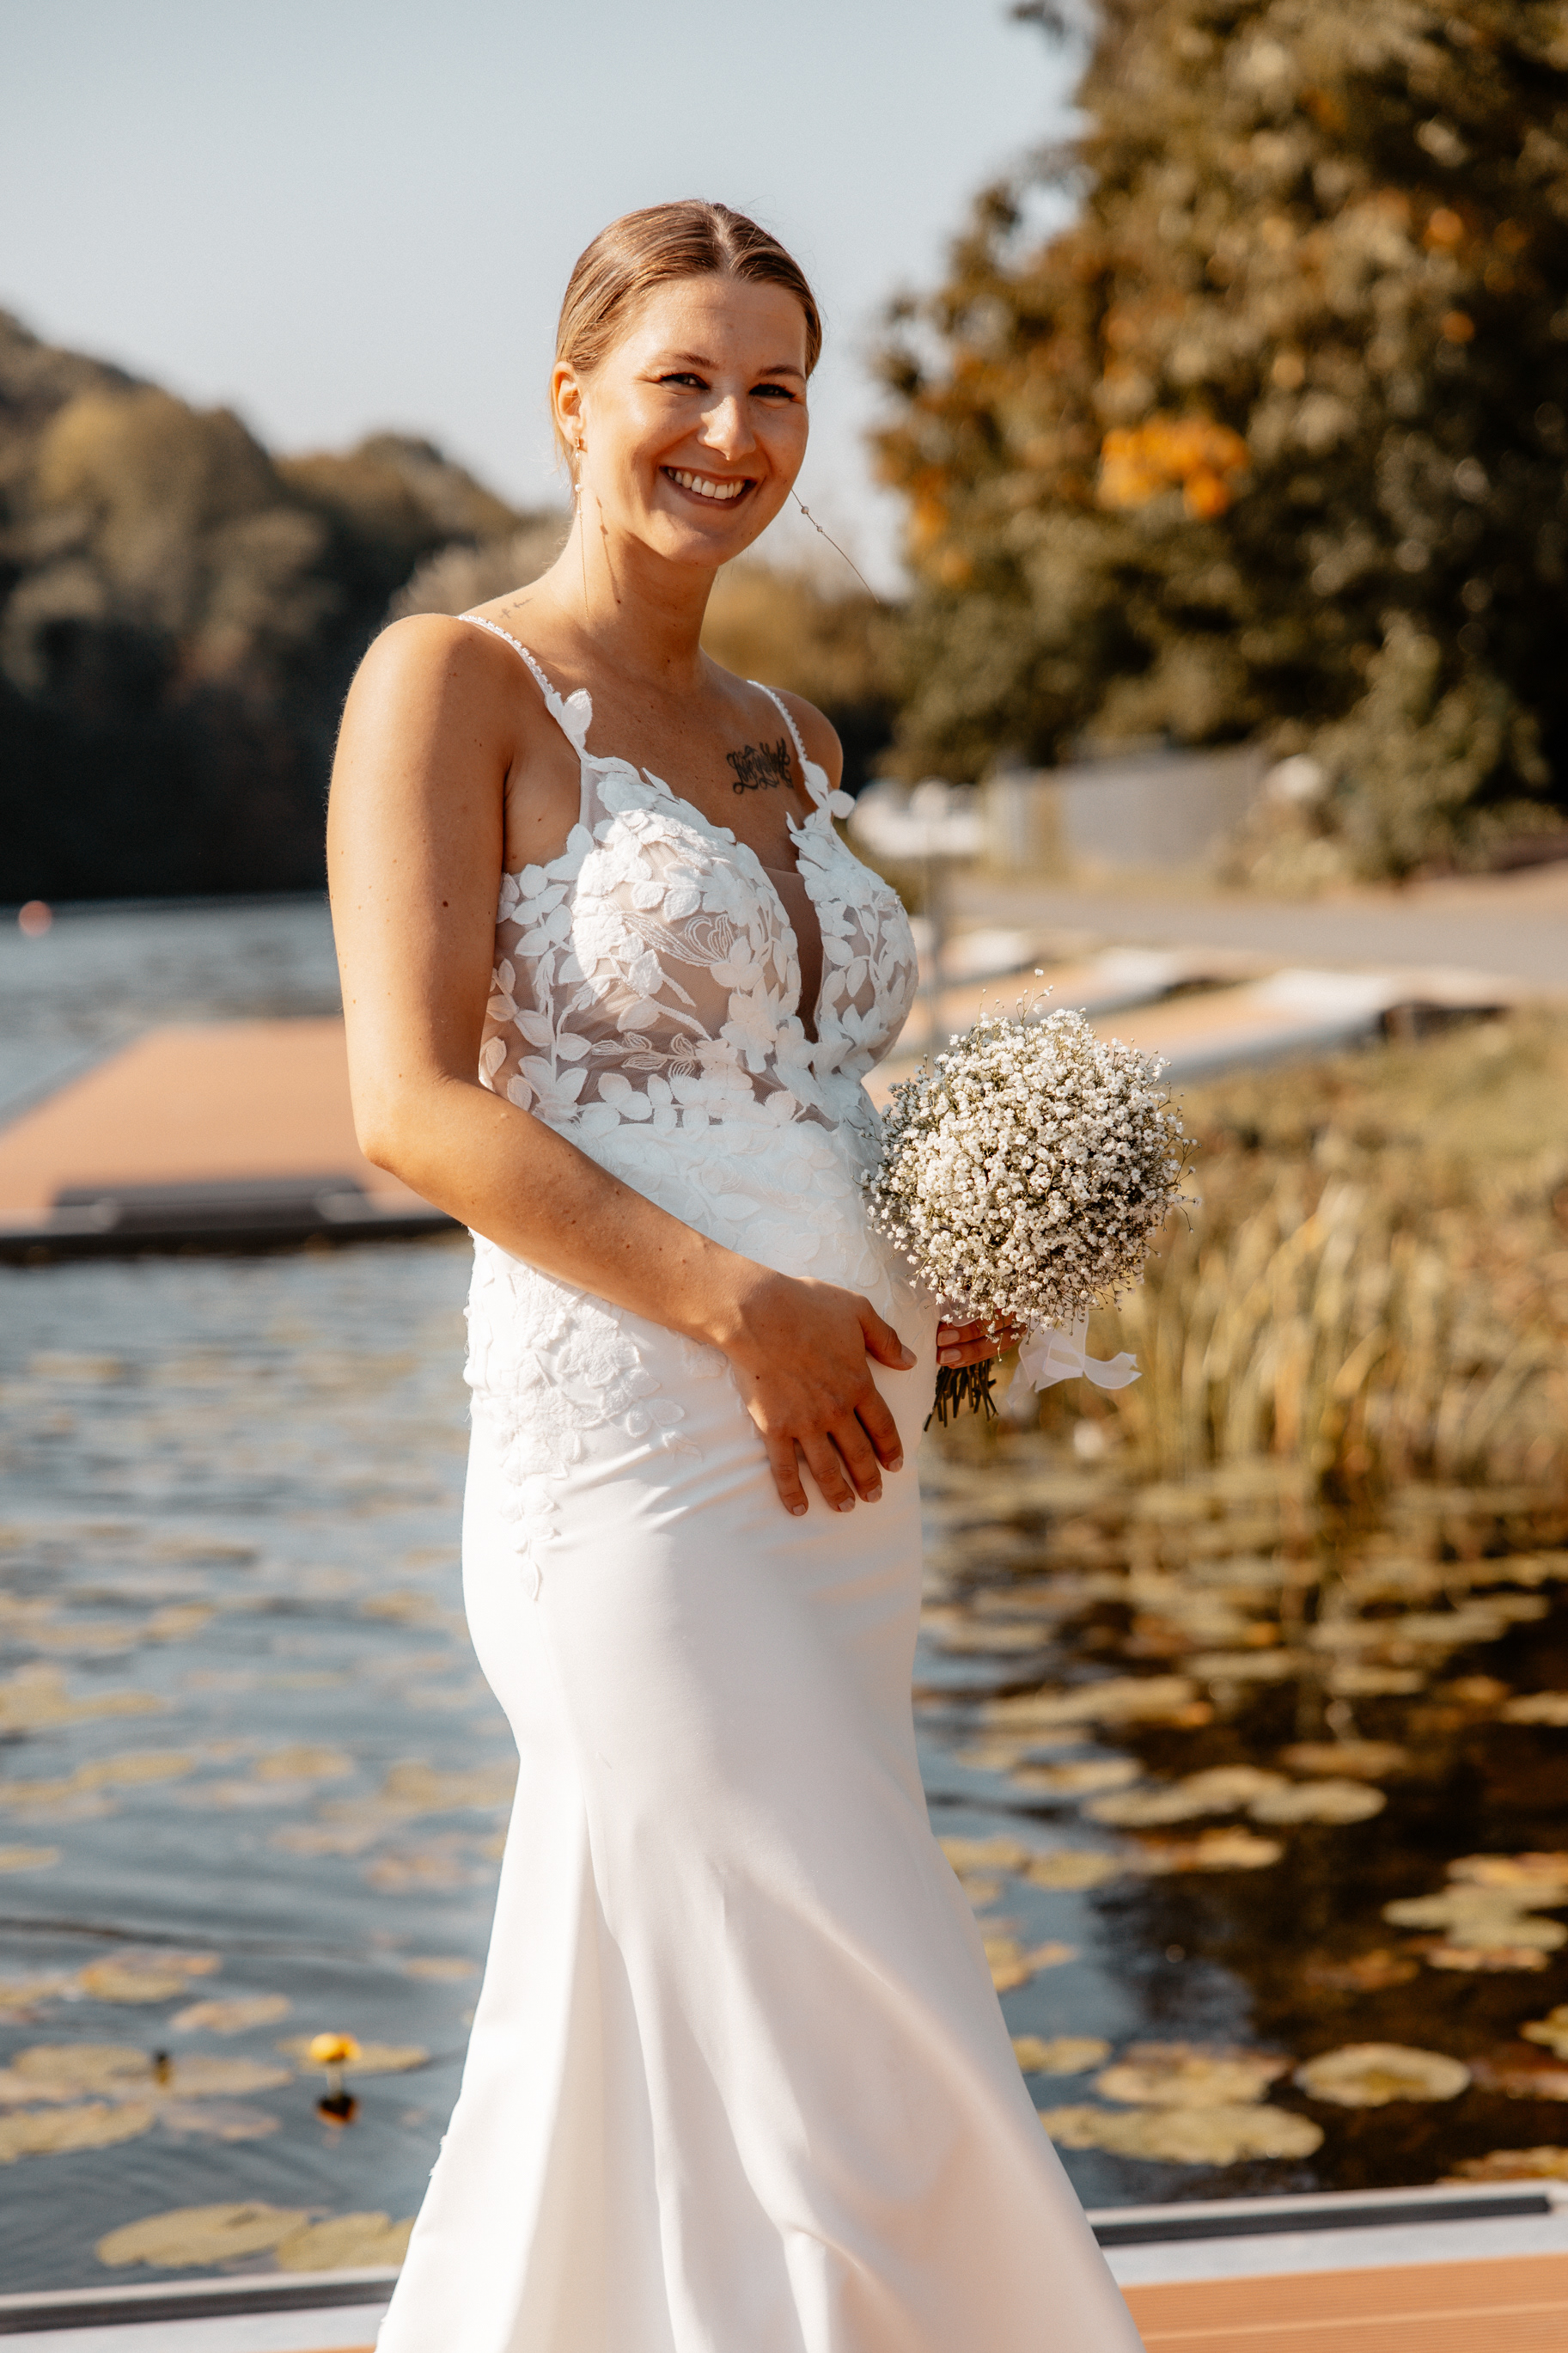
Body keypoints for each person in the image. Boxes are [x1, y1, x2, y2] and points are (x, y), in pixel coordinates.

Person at [329, 199, 1143, 2353]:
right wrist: (741, 1307)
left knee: (669, 2021)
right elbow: (410, 1107)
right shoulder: (454, 683)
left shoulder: (794, 728)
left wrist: (949, 1268)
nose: (729, 428)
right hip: (636, 1464)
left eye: (774, 386)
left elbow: (805, 1091)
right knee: (845, 1990)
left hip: (843, 1460)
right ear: (575, 396)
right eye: (683, 378)